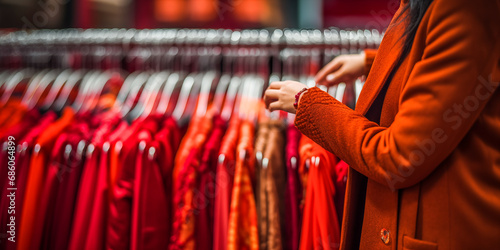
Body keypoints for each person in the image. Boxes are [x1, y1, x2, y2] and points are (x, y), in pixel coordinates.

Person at [264, 0, 500, 249]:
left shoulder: (465, 7)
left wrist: (308, 104)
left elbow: (399, 155)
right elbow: (439, 54)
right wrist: (371, 63)